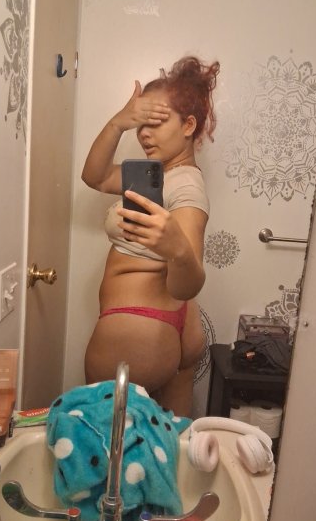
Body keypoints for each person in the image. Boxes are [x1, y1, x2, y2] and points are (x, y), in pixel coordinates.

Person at [82, 55, 220, 417]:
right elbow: (95, 176)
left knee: (104, 441)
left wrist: (178, 249)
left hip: (138, 329)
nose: (144, 134)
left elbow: (188, 283)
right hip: (169, 327)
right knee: (170, 441)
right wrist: (118, 123)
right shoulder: (155, 176)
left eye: (155, 122)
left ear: (188, 125)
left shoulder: (186, 187)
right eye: (141, 124)